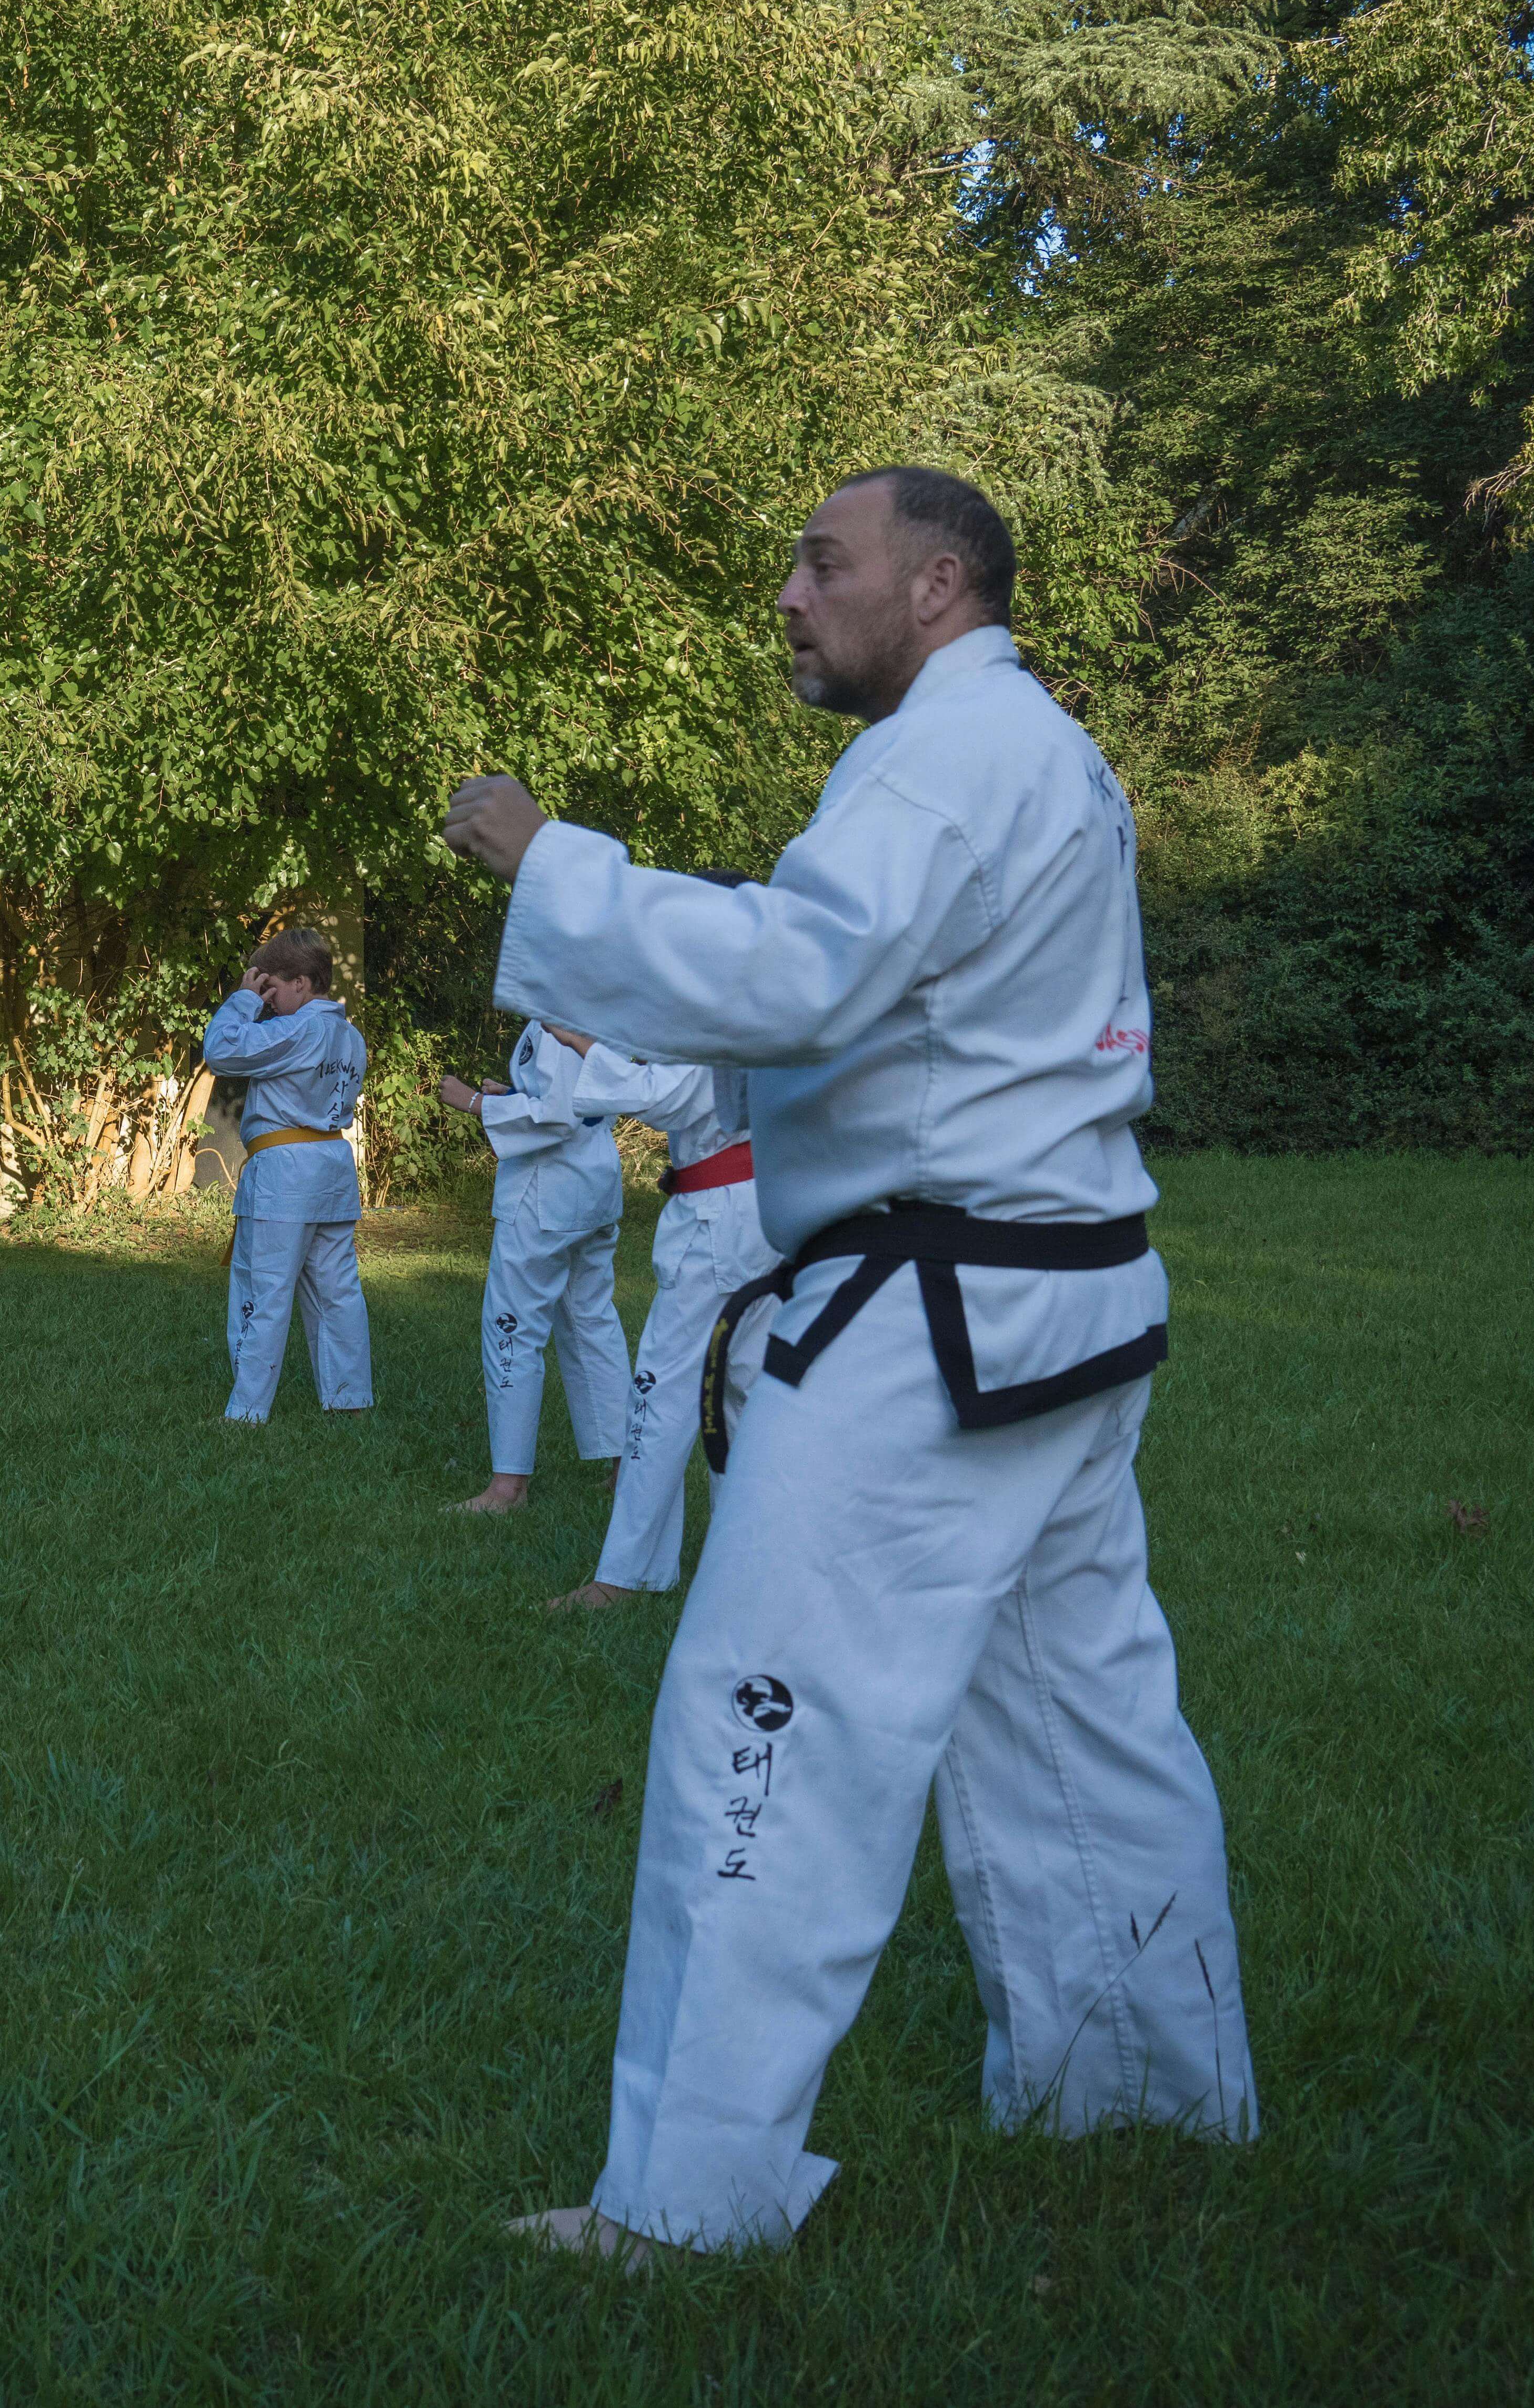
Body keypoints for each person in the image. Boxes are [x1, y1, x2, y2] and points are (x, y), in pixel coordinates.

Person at [445, 465, 1255, 2265]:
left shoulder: (958, 753)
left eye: (828, 563)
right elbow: (878, 988)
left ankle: (688, 2205)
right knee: (1077, 1727)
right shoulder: (1030, 746)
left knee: (764, 1730)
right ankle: (1143, 2095)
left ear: (939, 584)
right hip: (1057, 1311)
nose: (793, 596)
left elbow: (800, 975)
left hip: (935, 1332)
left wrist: (552, 863)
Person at [550, 894, 772, 1607]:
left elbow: (671, 1095)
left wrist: (585, 1044)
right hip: (759, 1216)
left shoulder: (725, 1011)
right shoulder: (764, 997)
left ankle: (627, 1575)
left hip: (720, 1224)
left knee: (663, 1390)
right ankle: (758, 1564)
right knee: (748, 1390)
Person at [432, 1019, 651, 1514]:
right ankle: (626, 1471)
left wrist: (477, 1102)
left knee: (512, 1326)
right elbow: (574, 1095)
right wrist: (513, 1093)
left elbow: (554, 1115)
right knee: (592, 1321)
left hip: (547, 1193)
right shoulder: (602, 1004)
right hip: (592, 1183)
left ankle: (507, 1488)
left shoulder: (559, 1014)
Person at [199, 927, 372, 1424]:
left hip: (285, 1172)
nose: (267, 998)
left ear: (301, 982)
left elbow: (222, 1050)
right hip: (331, 1168)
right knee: (336, 1290)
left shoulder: (301, 1030)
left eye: (271, 986)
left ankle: (246, 1410)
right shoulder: (349, 1035)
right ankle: (349, 1398)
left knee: (264, 1287)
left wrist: (242, 1002)